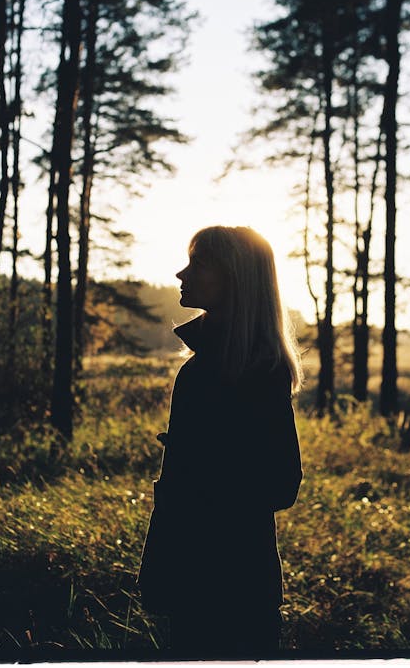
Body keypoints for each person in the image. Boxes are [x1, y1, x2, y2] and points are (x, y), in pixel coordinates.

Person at [137, 225, 303, 658]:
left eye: (198, 263)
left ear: (235, 277)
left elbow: (283, 482)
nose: (181, 274)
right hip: (197, 574)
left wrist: (201, 466)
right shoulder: (205, 366)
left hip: (234, 583)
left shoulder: (259, 369)